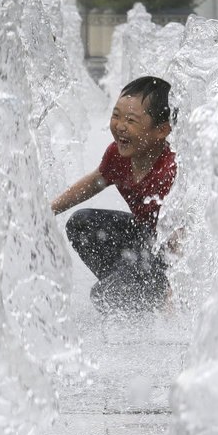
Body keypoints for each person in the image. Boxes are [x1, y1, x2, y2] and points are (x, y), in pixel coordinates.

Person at [51, 76, 176, 313]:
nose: (120, 126)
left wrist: (173, 291)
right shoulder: (118, 156)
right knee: (81, 223)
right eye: (116, 115)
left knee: (105, 296)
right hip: (143, 239)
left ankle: (149, 295)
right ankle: (128, 287)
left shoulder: (170, 169)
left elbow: (181, 235)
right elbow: (95, 181)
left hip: (165, 254)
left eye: (131, 120)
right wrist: (48, 210)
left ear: (161, 130)